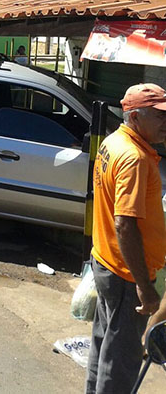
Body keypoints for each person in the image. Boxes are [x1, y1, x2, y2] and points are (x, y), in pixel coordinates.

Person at [85, 83, 166, 394]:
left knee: (104, 347)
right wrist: (144, 287)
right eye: (158, 116)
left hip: (106, 262)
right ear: (134, 117)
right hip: (125, 274)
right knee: (121, 361)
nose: (165, 123)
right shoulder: (134, 158)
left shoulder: (114, 142)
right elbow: (125, 225)